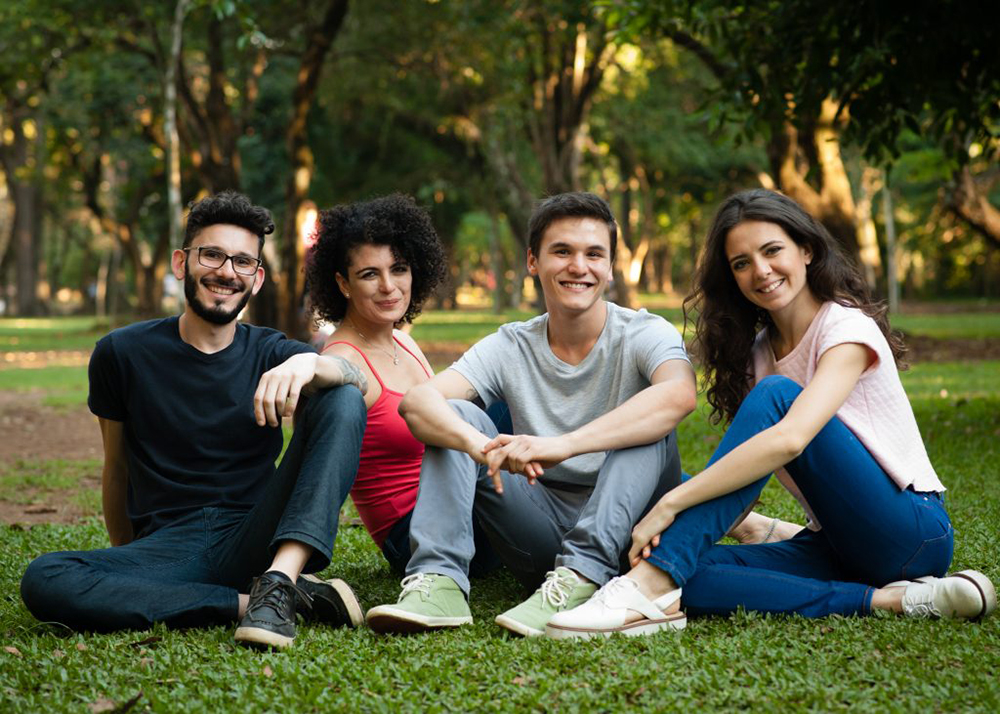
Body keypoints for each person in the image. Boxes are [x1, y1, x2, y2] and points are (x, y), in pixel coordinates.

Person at [545, 188, 996, 639]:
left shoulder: (846, 328)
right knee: (686, 574)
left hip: (911, 533)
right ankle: (891, 599)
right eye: (741, 263)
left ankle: (645, 587)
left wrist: (671, 502)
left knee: (777, 395)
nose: (760, 271)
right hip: (836, 544)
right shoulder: (758, 355)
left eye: (772, 250)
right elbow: (745, 468)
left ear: (806, 249)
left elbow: (790, 439)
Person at [20, 191, 370, 650]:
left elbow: (361, 381)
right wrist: (128, 562)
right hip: (169, 547)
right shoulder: (121, 353)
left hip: (256, 534)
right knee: (45, 577)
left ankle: (280, 577)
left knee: (342, 397)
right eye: (212, 255)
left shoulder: (271, 352)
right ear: (182, 263)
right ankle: (266, 601)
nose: (227, 272)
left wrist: (308, 364)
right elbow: (117, 467)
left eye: (243, 262)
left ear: (257, 279)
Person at [364, 192, 698, 637]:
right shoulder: (512, 344)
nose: (579, 266)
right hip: (539, 536)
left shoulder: (643, 332)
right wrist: (477, 447)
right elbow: (418, 402)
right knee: (458, 413)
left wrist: (561, 446)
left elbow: (679, 395)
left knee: (651, 423)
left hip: (633, 536)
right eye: (562, 251)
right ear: (533, 262)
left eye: (594, 254)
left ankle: (583, 577)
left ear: (610, 266)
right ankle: (440, 581)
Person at [305, 194, 499, 575]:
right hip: (413, 535)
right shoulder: (344, 358)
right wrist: (302, 367)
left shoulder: (404, 342)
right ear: (343, 284)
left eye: (399, 269)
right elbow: (325, 371)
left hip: (457, 501)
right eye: (369, 274)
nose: (388, 286)